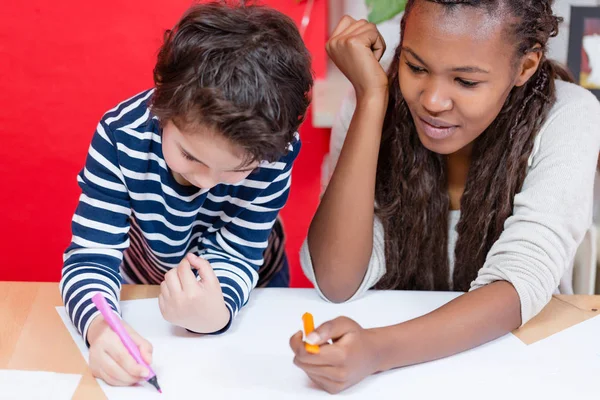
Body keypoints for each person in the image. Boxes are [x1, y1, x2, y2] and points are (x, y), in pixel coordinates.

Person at [291, 0, 600, 394]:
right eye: (416, 67)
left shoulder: (570, 115)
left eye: (466, 82)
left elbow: (517, 282)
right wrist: (370, 99)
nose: (433, 100)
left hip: (519, 371)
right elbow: (336, 280)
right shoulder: (374, 99)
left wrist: (377, 351)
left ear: (525, 66)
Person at [60, 1, 312, 386]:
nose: (207, 182)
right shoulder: (119, 136)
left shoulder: (275, 149)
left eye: (236, 170)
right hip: (145, 283)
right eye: (189, 156)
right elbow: (91, 257)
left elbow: (239, 252)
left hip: (255, 283)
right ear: (162, 105)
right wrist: (100, 329)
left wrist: (219, 314)